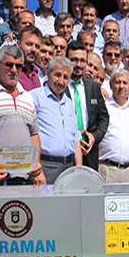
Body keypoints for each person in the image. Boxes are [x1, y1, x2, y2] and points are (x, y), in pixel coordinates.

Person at [0, 45, 46, 186]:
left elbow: (34, 135)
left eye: (18, 66)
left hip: (25, 177)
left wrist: (36, 163)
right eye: (9, 65)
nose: (14, 70)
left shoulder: (28, 98)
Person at [30, 56, 83, 184]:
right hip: (46, 165)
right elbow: (29, 135)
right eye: (57, 75)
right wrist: (36, 168)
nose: (61, 81)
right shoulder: (34, 97)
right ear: (48, 74)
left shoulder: (68, 103)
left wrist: (79, 169)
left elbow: (75, 138)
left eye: (65, 77)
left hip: (69, 167)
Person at [65, 40, 110, 168]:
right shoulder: (59, 87)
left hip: (89, 152)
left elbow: (104, 118)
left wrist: (94, 137)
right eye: (74, 60)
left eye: (82, 60)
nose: (78, 64)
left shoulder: (93, 87)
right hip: (67, 153)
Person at [99, 68, 129, 183]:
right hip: (107, 169)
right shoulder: (103, 107)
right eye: (117, 82)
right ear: (111, 85)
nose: (121, 86)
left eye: (125, 83)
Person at [16, 25, 43, 91]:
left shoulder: (38, 73)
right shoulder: (12, 71)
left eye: (37, 46)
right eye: (29, 44)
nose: (33, 49)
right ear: (18, 44)